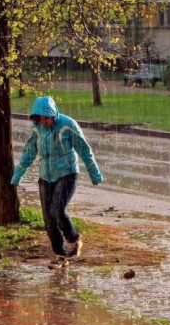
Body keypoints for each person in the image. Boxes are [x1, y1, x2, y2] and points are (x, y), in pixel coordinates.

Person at [11, 96, 103, 267]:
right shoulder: (37, 129)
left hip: (67, 174)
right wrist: (17, 176)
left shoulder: (67, 125)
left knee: (57, 210)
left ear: (53, 114)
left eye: (46, 117)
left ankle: (74, 239)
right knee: (48, 218)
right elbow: (29, 153)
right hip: (46, 176)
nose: (44, 121)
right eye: (40, 118)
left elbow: (84, 149)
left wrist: (95, 174)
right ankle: (59, 255)